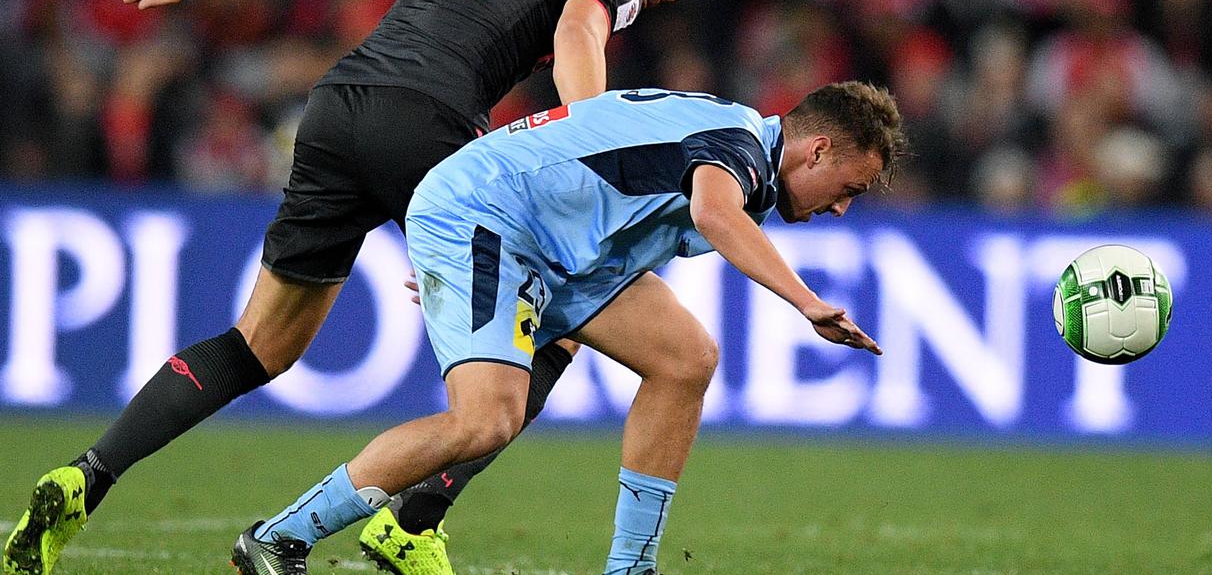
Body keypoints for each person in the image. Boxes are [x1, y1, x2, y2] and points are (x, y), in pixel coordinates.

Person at [3, 0, 703, 575]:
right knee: (561, 317)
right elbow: (579, 30)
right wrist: (595, 151)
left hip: (338, 110)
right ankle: (412, 524)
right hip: (432, 123)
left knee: (261, 345)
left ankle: (86, 476)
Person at [229, 82, 906, 574]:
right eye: (848, 187)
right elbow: (713, 215)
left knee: (685, 358)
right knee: (484, 421)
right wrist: (804, 302)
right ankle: (278, 537)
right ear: (815, 150)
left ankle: (629, 568)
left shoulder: (736, 141)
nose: (842, 209)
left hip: (539, 241)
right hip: (486, 215)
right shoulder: (735, 147)